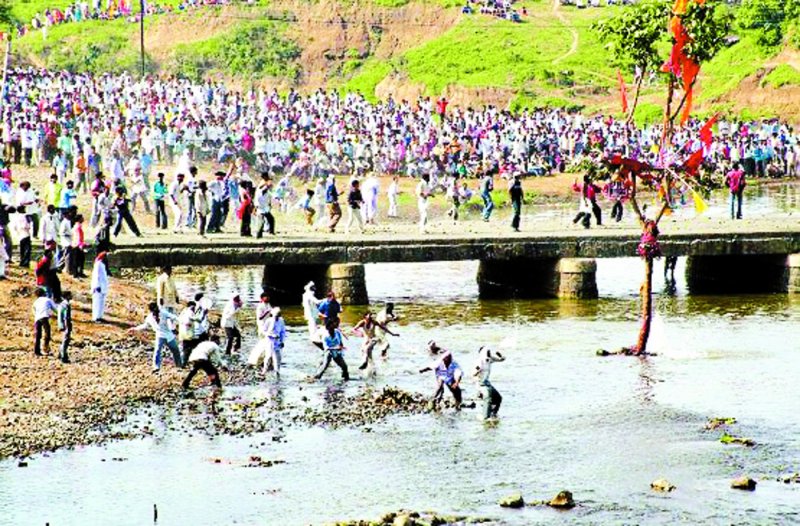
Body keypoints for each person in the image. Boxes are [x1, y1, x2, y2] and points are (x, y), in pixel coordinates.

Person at [130, 301, 182, 372]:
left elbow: (174, 317)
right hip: (162, 335)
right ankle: (157, 367)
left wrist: (181, 321)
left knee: (168, 350)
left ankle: (176, 366)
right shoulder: (152, 316)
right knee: (163, 351)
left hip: (167, 335)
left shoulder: (161, 313)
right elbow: (145, 325)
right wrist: (135, 328)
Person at [419, 344, 463, 410]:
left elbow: (458, 374)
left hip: (450, 378)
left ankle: (457, 405)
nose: (447, 360)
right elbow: (430, 367)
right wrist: (422, 370)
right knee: (439, 388)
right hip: (440, 375)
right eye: (445, 358)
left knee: (457, 393)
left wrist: (456, 382)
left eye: (449, 358)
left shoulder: (454, 364)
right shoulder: (439, 361)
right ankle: (432, 402)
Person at [473, 346, 505, 419]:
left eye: (489, 352)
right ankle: (485, 417)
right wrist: (478, 371)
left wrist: (500, 355)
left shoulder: (489, 359)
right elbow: (473, 374)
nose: (489, 353)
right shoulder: (479, 361)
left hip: (486, 383)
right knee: (488, 398)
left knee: (498, 398)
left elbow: (502, 359)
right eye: (488, 352)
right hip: (480, 383)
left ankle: (493, 414)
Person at [32, 288, 57, 356]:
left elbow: (33, 310)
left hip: (37, 318)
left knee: (38, 335)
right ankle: (45, 348)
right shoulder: (47, 300)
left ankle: (36, 351)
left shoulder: (36, 302)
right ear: (44, 293)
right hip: (44, 317)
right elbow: (55, 309)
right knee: (47, 332)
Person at [263, 307, 286, 377]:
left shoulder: (281, 321)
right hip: (269, 341)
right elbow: (264, 331)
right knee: (268, 356)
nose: (276, 317)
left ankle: (277, 371)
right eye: (275, 316)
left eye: (278, 316)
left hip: (278, 341)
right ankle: (264, 371)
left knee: (278, 357)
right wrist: (271, 335)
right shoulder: (268, 321)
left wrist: (282, 341)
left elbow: (283, 332)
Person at [91, 251, 109, 322]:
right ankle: (96, 317)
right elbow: (96, 276)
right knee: (97, 303)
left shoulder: (102, 265)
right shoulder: (98, 264)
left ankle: (100, 316)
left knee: (101, 303)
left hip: (102, 287)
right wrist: (97, 285)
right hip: (98, 287)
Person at [57, 291, 73, 363]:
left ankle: (60, 354)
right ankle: (63, 356)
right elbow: (66, 317)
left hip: (62, 324)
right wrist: (67, 325)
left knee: (64, 339)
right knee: (66, 340)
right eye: (70, 295)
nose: (71, 296)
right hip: (66, 324)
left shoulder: (61, 304)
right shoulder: (66, 305)